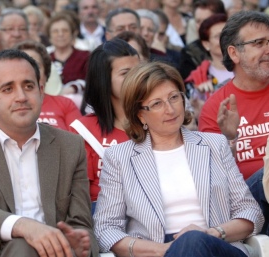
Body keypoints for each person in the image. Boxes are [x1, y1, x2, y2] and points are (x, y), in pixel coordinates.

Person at [94, 61, 264, 257]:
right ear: (140, 115)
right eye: (157, 103)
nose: (170, 109)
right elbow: (106, 229)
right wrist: (162, 250)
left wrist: (212, 233)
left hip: (217, 246)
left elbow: (251, 213)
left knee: (192, 240)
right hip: (155, 251)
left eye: (174, 97)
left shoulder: (214, 144)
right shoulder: (119, 157)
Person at [0, 49, 99, 257]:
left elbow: (80, 224)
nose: (21, 97)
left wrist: (80, 245)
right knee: (23, 247)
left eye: (28, 86)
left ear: (41, 91)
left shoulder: (69, 145)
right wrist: (24, 226)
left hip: (55, 254)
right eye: (8, 89)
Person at [199, 10, 269, 235]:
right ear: (234, 53)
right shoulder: (216, 107)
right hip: (247, 201)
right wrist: (231, 139)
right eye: (259, 43)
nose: (268, 49)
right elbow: (215, 180)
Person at [70, 39, 140, 214]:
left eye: (139, 71)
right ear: (103, 80)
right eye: (126, 73)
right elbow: (79, 196)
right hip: (101, 216)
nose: (138, 78)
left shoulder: (156, 121)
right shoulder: (82, 130)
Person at [14, 40, 81, 130]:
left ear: (46, 73)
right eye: (22, 65)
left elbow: (79, 141)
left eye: (35, 65)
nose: (28, 71)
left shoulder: (66, 104)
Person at [185, 13, 232, 123]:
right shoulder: (196, 80)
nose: (225, 40)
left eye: (228, 35)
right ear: (206, 44)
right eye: (218, 36)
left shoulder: (248, 70)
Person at [178, 0, 226, 80]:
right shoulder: (189, 52)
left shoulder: (236, 46)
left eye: (206, 21)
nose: (201, 26)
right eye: (198, 21)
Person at [46, 12, 90, 97]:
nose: (60, 34)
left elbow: (92, 81)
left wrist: (75, 87)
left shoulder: (86, 56)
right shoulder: (45, 58)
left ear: (73, 34)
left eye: (65, 30)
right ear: (49, 36)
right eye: (55, 31)